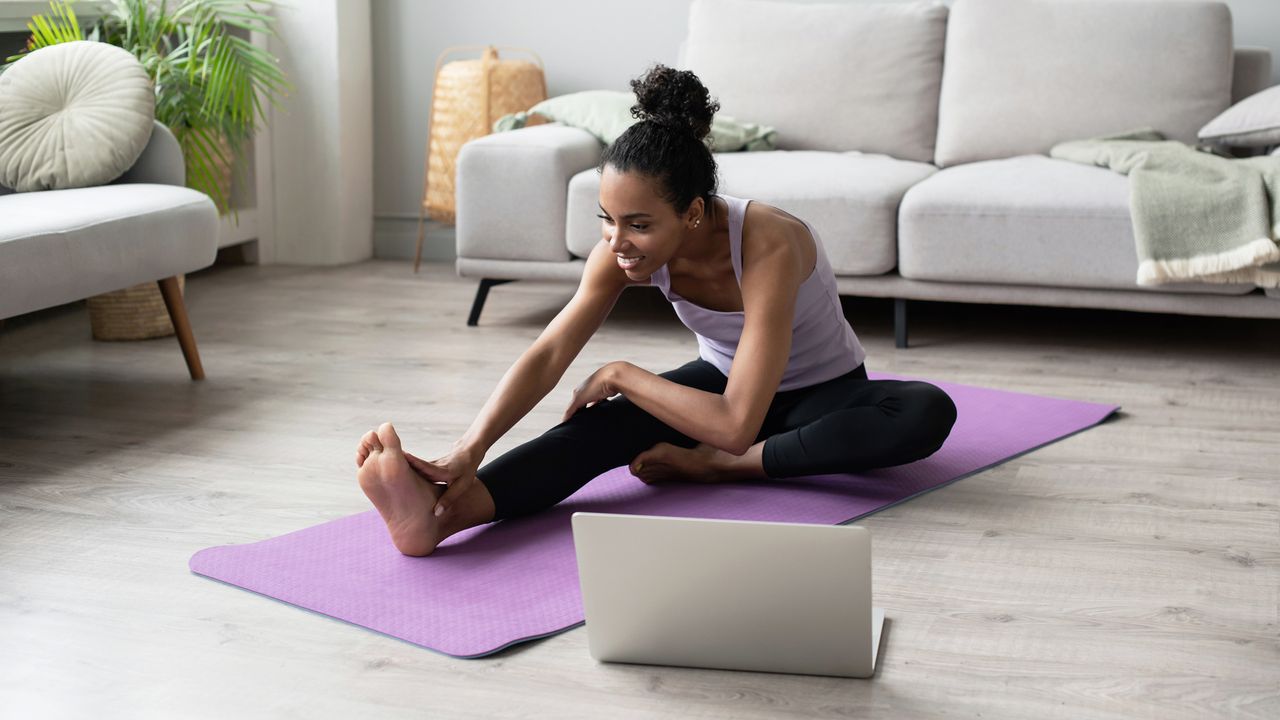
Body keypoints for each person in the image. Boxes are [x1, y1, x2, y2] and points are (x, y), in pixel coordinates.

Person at [356, 64, 957, 557]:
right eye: (608, 220)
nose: (617, 242)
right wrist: (469, 447)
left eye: (639, 225)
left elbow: (735, 425)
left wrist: (623, 376)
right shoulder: (618, 251)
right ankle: (441, 517)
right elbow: (548, 353)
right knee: (598, 428)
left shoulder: (771, 243)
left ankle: (724, 472)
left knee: (924, 410)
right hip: (720, 387)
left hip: (820, 395)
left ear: (693, 214)